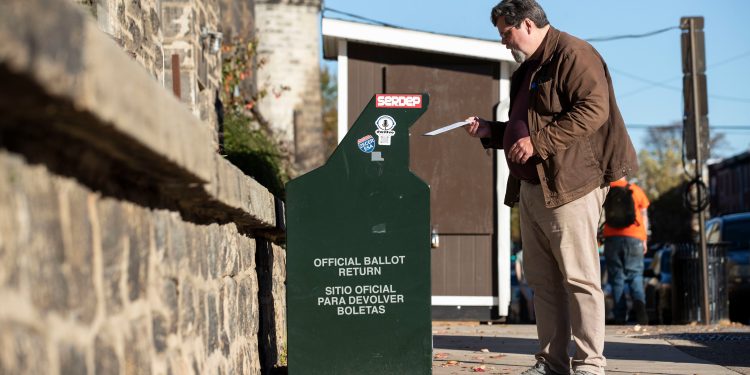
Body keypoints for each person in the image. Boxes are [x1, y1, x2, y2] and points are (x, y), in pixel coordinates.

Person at [462, 1, 638, 374]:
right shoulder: (526, 69)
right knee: (542, 282)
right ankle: (550, 363)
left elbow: (593, 108)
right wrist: (491, 131)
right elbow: (521, 127)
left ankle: (589, 364)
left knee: (579, 278)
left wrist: (539, 144)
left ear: (527, 24)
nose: (504, 42)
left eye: (506, 33)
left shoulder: (574, 53)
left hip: (571, 185)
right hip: (531, 187)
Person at [603, 178, 651, 325]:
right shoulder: (636, 190)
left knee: (617, 278)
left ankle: (619, 316)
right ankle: (641, 313)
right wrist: (644, 239)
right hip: (634, 237)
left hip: (612, 238)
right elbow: (643, 215)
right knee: (635, 275)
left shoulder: (605, 190)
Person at [515, 249, 536, 322]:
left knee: (530, 300)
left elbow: (518, 269)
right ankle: (534, 318)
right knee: (535, 300)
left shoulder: (520, 254)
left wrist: (520, 281)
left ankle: (531, 317)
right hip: (535, 280)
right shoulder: (536, 251)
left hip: (525, 280)